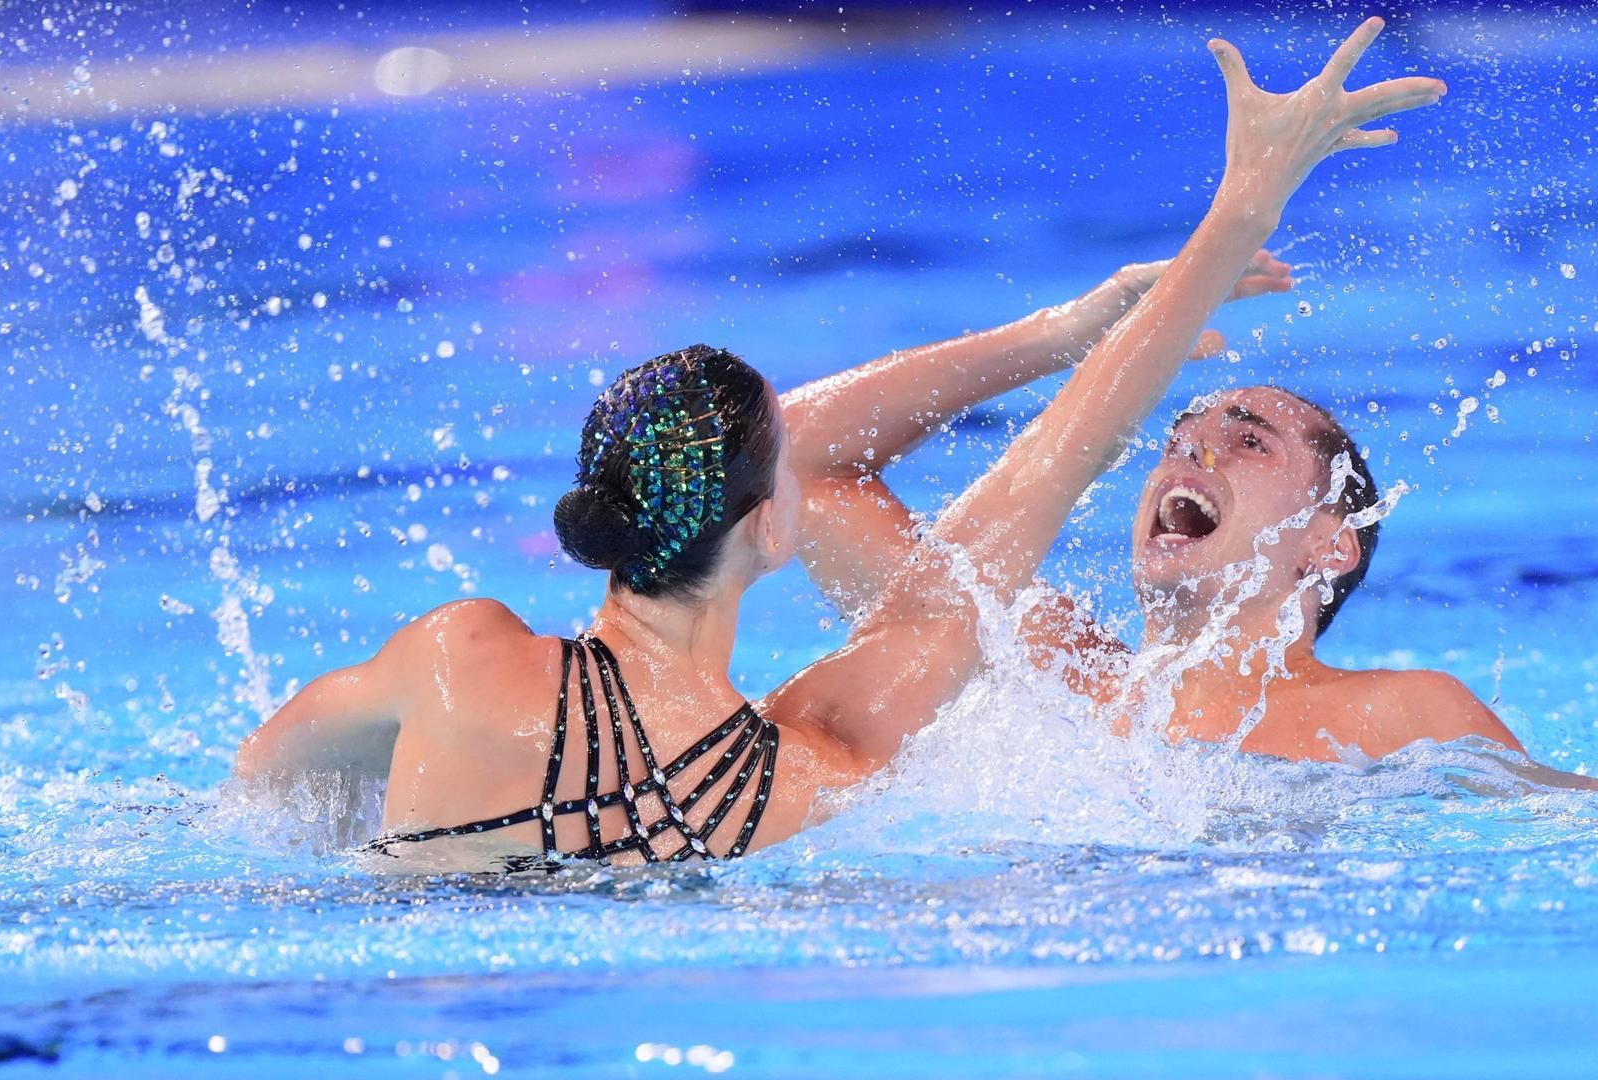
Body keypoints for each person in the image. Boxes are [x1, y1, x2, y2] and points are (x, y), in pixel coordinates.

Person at [235, 18, 1452, 867]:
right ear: (773, 527)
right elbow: (1052, 465)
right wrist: (1236, 209)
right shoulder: (804, 773)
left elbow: (258, 806)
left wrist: (1062, 328)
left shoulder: (457, 660)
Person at [784, 58, 1527, 768]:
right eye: (1178, 439)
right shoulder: (1032, 657)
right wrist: (1059, 335)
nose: (1193, 455)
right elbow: (795, 460)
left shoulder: (1405, 716)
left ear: (1329, 546)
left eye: (1249, 442)